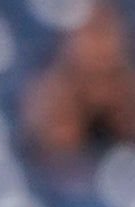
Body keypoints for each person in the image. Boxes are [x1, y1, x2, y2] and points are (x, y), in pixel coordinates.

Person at [28, 0, 135, 171]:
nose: (99, 43)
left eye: (105, 30)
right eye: (91, 33)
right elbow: (56, 155)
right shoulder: (54, 94)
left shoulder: (127, 88)